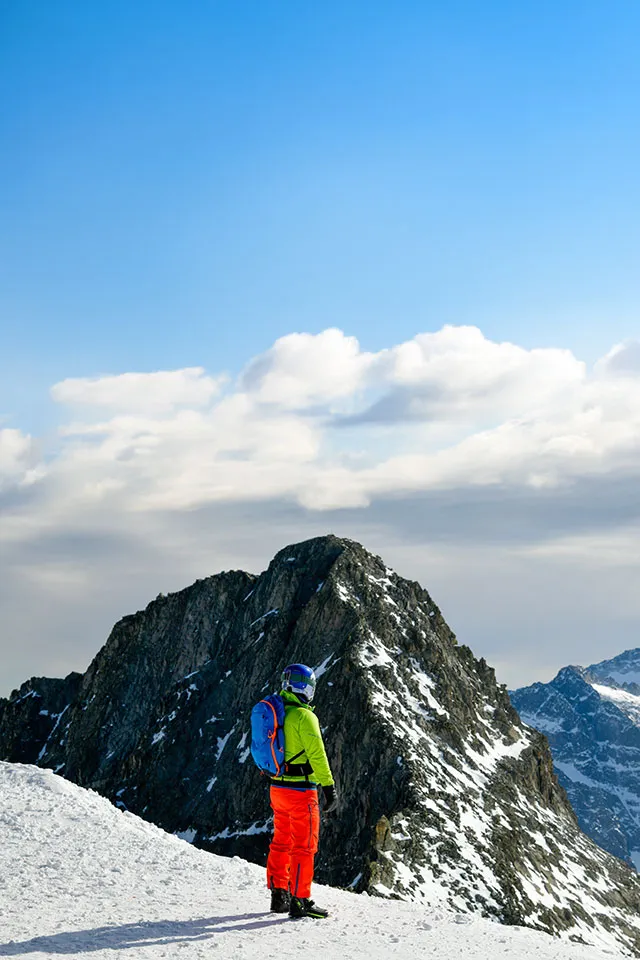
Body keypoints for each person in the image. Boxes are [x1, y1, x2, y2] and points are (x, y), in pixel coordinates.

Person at [266, 663, 337, 919]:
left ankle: (279, 895)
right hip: (301, 792)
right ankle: (300, 900)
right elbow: (317, 755)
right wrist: (328, 786)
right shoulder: (305, 716)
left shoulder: (278, 711)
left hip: (277, 788)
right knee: (304, 846)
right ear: (306, 687)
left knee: (281, 841)